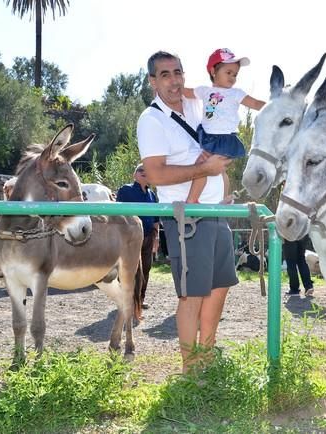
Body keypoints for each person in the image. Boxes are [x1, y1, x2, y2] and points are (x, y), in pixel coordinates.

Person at [137, 50, 239, 373]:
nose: (174, 80)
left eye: (178, 72)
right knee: (192, 295)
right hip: (188, 219)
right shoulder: (151, 120)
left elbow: (221, 134)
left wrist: (220, 173)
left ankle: (206, 358)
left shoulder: (198, 105)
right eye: (164, 74)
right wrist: (204, 170)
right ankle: (190, 369)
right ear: (153, 81)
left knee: (219, 286)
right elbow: (154, 175)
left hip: (217, 211)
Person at [182, 48, 266, 203]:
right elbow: (184, 92)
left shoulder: (235, 93)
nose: (233, 78)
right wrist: (168, 88)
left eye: (235, 74)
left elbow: (254, 103)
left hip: (225, 138)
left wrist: (274, 107)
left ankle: (192, 200)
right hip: (209, 136)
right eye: (228, 73)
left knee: (202, 165)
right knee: (219, 170)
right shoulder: (204, 91)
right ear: (213, 71)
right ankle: (224, 198)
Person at [116, 163, 160, 309]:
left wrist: (157, 238)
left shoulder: (152, 194)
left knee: (146, 268)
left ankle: (140, 299)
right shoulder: (125, 190)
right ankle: (126, 299)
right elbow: (119, 214)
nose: (144, 172)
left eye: (147, 170)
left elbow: (155, 218)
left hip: (148, 236)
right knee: (129, 269)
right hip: (130, 238)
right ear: (134, 174)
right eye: (141, 170)